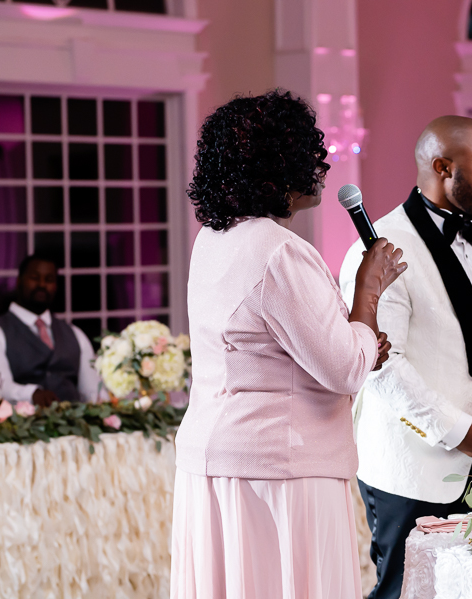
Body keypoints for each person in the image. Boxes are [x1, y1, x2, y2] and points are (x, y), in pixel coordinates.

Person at [170, 90, 406, 599]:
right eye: (308, 151)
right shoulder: (278, 251)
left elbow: (268, 347)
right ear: (277, 167)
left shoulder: (214, 238)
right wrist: (368, 288)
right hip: (279, 469)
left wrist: (356, 341)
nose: (320, 165)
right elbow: (344, 368)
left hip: (217, 459)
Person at [338, 115, 472, 599]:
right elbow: (380, 364)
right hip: (410, 467)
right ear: (443, 167)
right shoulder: (379, 246)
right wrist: (458, 429)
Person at [0, 254, 100, 406]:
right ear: (19, 281)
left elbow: (92, 392)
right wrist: (31, 394)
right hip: (17, 427)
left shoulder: (75, 334)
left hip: (75, 426)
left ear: (56, 286)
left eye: (49, 280)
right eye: (34, 277)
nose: (42, 285)